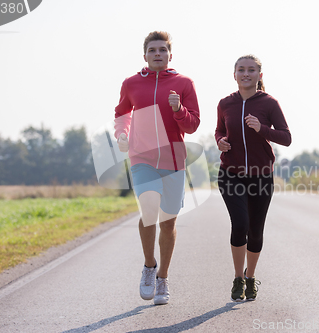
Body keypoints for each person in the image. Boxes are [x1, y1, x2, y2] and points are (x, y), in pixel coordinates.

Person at [114, 31, 200, 305]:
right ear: (145, 56)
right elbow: (121, 114)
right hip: (142, 158)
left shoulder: (184, 83)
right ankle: (149, 266)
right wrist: (122, 135)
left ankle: (163, 276)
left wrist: (178, 110)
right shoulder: (130, 84)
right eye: (153, 50)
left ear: (170, 55)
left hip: (173, 161)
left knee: (168, 221)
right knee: (148, 209)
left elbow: (193, 124)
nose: (158, 54)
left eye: (163, 50)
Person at [215, 55, 291, 301]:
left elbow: (286, 138)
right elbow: (219, 130)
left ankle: (250, 277)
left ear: (260, 75)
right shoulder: (226, 103)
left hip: (261, 176)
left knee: (256, 230)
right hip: (231, 174)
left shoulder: (269, 103)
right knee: (240, 224)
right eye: (241, 70)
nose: (246, 74)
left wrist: (262, 129)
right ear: (234, 74)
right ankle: (238, 277)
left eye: (251, 70)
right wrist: (220, 142)